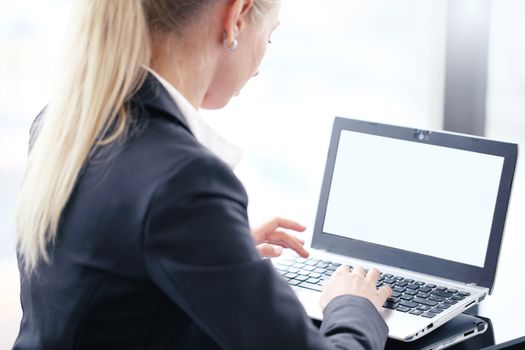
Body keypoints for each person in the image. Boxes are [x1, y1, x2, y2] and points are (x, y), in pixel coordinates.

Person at [13, 1, 392, 349]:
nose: (260, 65)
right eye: (270, 36)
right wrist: (353, 305)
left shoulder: (63, 123)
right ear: (235, 18)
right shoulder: (183, 179)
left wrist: (219, 249)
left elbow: (106, 283)